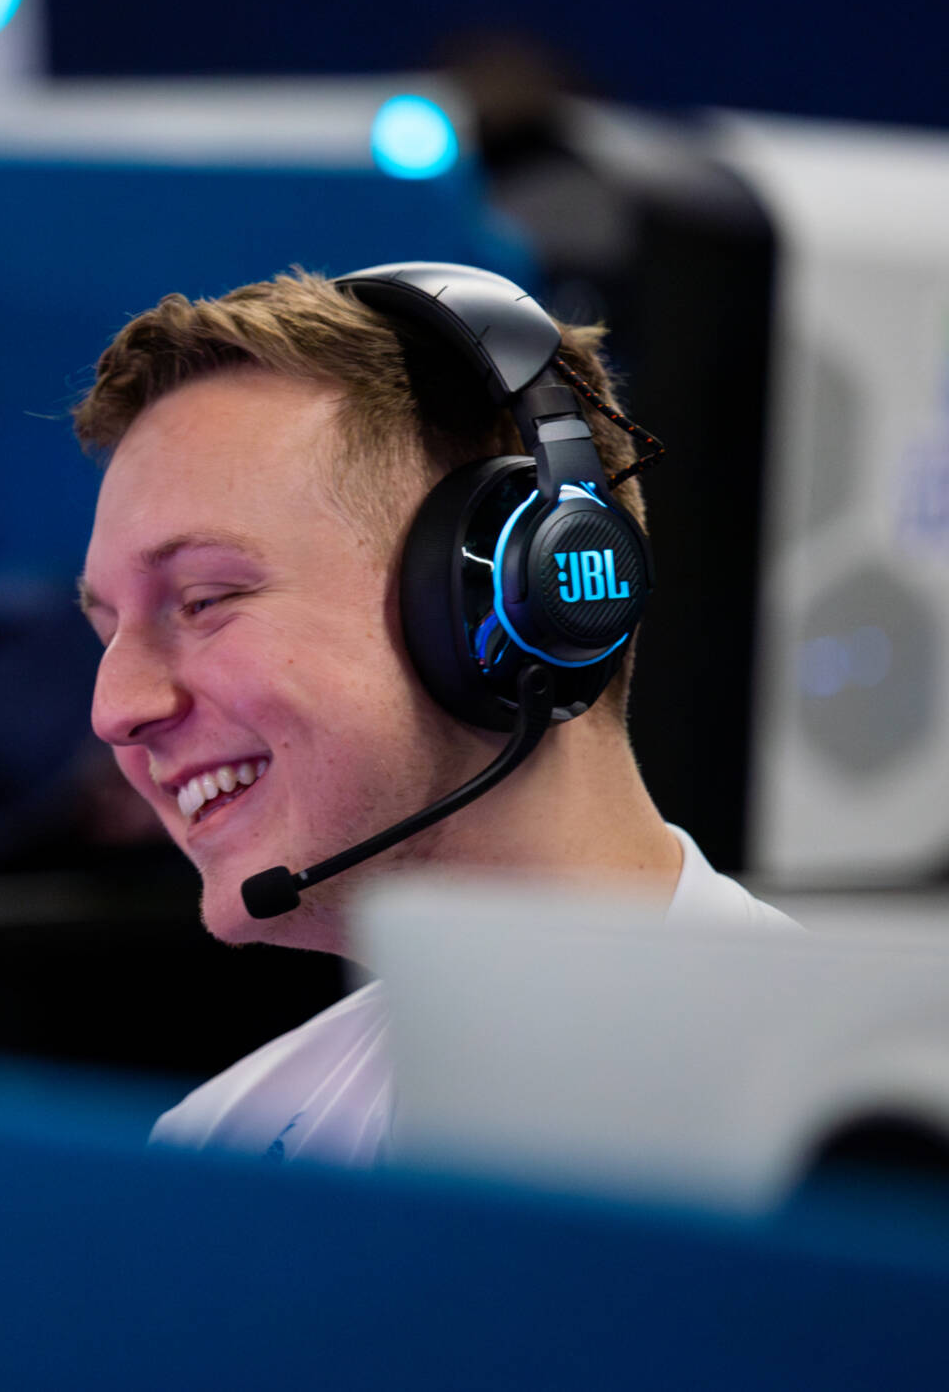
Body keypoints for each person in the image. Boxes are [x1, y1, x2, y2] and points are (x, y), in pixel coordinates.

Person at [72, 267, 794, 1165]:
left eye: (205, 598)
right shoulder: (224, 1143)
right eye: (105, 630)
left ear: (525, 599)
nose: (117, 710)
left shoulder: (848, 1146)